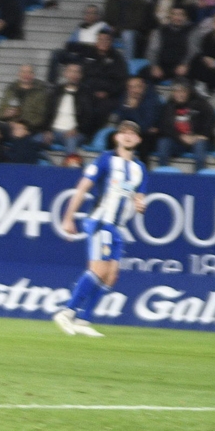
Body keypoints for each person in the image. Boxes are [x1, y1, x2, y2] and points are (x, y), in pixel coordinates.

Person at [52, 121, 147, 338]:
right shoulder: (106, 159)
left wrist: (141, 204)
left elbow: (138, 197)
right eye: (124, 132)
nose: (128, 136)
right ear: (117, 138)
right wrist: (68, 217)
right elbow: (83, 187)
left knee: (111, 276)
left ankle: (84, 320)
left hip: (117, 227)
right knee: (99, 269)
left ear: (139, 139)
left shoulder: (139, 169)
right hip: (100, 221)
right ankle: (67, 312)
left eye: (133, 133)